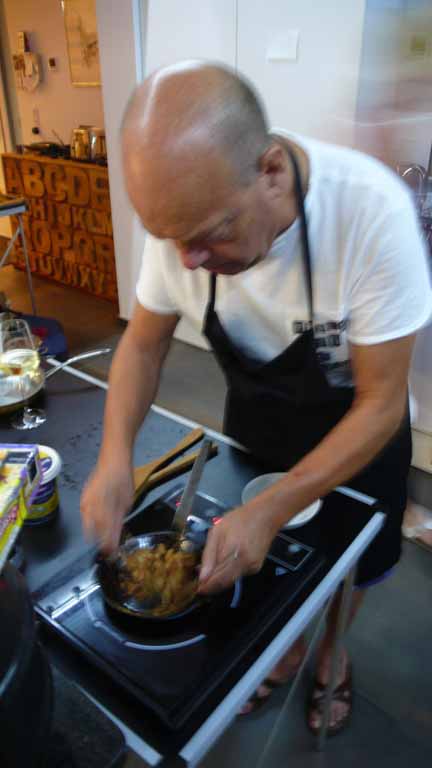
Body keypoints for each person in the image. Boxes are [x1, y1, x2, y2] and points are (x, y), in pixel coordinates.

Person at [81, 61, 432, 734]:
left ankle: (331, 651)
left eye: (208, 234)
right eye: (171, 239)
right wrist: (115, 455)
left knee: (348, 566)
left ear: (270, 169)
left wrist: (274, 506)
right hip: (260, 424)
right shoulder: (186, 223)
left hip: (359, 430)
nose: (187, 260)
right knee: (262, 568)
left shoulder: (368, 212)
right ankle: (285, 650)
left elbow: (383, 402)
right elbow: (143, 346)